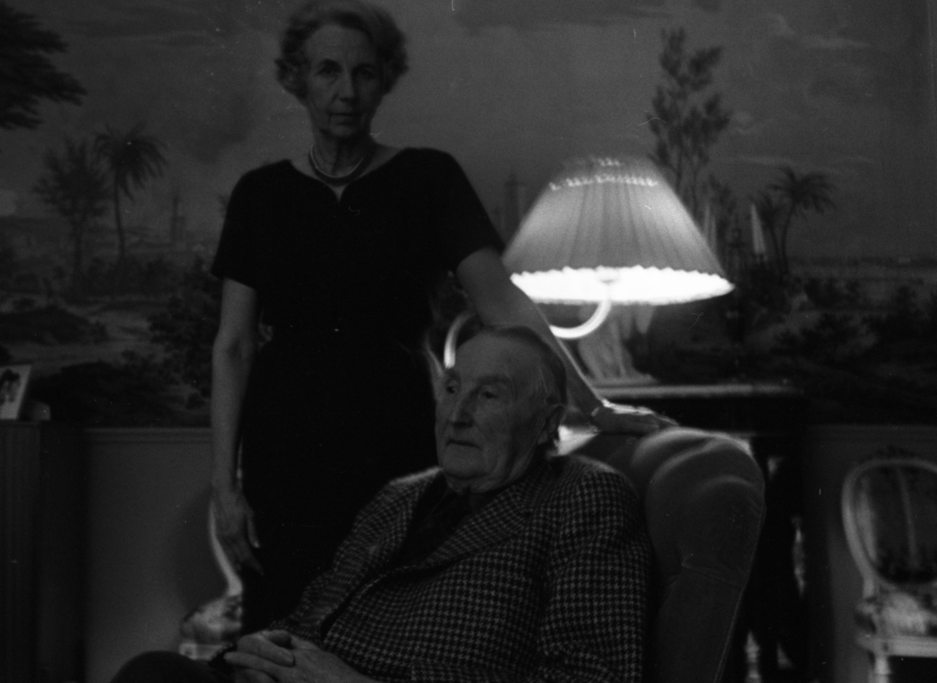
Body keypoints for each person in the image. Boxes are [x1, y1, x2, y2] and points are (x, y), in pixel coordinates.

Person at [210, 0, 667, 632]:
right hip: (285, 443)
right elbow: (233, 346)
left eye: (365, 73)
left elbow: (504, 306)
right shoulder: (260, 195)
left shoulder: (429, 178)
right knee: (284, 623)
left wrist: (595, 406)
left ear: (385, 80)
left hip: (394, 428)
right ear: (298, 79)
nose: (347, 92)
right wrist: (224, 487)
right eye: (328, 71)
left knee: (391, 613)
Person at [115, 325, 651, 682]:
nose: (457, 415)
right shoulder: (403, 495)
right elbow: (312, 614)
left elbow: (590, 676)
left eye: (488, 395)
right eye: (451, 389)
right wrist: (261, 657)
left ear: (547, 423)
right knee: (156, 673)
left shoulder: (585, 498)